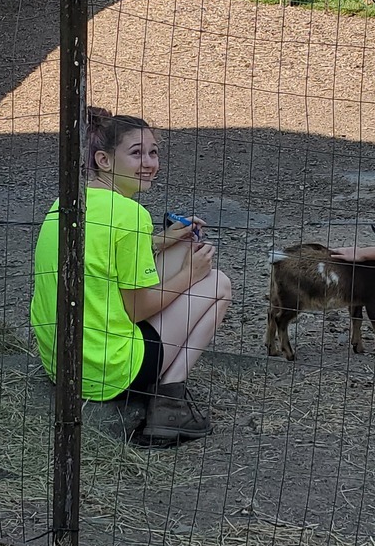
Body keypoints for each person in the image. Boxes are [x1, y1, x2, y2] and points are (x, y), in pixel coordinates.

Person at [31, 111, 233, 450]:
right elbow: (138, 310)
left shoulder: (68, 201)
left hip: (63, 366)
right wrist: (190, 276)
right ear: (104, 160)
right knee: (218, 284)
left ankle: (163, 397)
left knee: (180, 252)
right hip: (109, 372)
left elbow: (99, 259)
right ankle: (169, 402)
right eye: (137, 153)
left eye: (153, 152)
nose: (150, 163)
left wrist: (159, 241)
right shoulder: (130, 215)